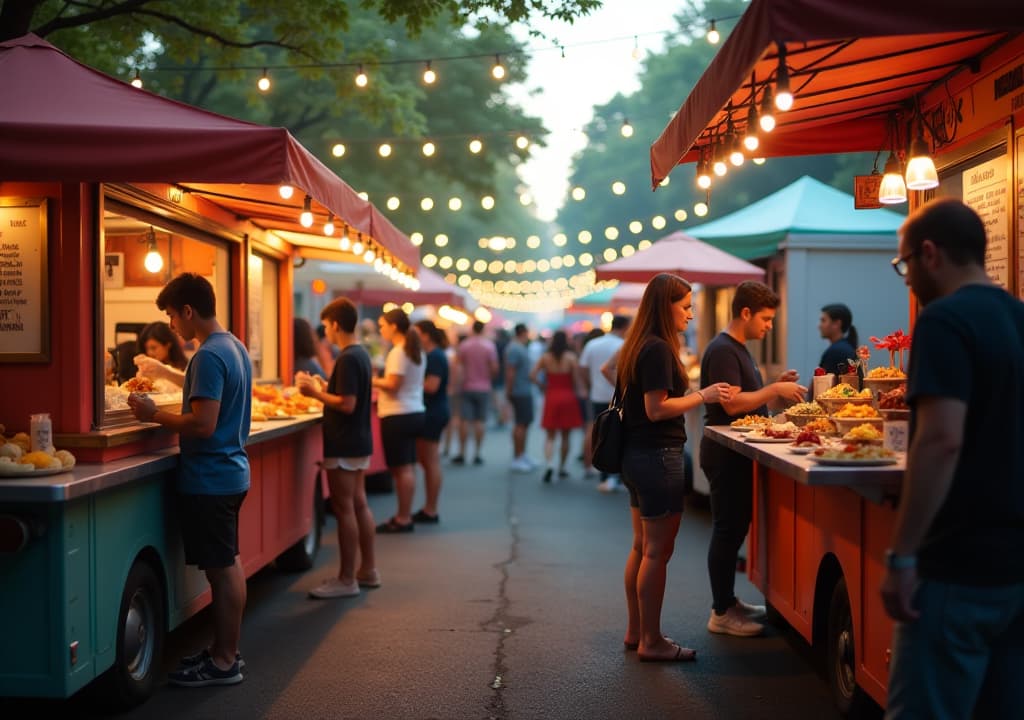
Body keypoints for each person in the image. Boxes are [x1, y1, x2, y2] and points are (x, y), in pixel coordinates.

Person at [879, 198, 1024, 719]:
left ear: (930, 254)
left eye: (904, 264)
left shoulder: (943, 321)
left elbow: (941, 440)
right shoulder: (1018, 316)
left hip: (958, 565)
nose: (906, 276)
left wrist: (903, 555)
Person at [126, 272, 251, 687]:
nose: (172, 325)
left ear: (187, 311)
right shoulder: (232, 346)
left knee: (222, 570)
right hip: (230, 472)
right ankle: (224, 652)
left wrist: (152, 414)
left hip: (212, 477)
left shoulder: (208, 355)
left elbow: (202, 423)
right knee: (226, 565)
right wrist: (164, 372)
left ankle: (224, 659)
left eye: (171, 316)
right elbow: (206, 398)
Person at [617, 273, 733, 662]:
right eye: (684, 306)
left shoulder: (638, 346)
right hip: (657, 456)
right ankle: (651, 640)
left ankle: (637, 631)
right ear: (664, 307)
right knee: (656, 552)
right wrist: (704, 394)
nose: (689, 313)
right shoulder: (658, 350)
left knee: (641, 547)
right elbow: (656, 409)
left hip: (635, 456)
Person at [700, 280, 806, 637]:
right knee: (727, 530)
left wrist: (774, 388)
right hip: (724, 453)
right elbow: (731, 404)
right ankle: (720, 612)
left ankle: (728, 601)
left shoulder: (739, 349)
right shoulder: (723, 350)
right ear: (745, 313)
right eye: (765, 318)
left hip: (736, 451)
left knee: (735, 527)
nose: (769, 326)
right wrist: (774, 388)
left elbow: (752, 403)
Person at [297, 297, 379, 599]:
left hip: (343, 442)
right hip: (359, 440)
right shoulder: (361, 355)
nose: (325, 333)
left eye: (327, 326)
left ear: (334, 324)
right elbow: (347, 395)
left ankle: (347, 579)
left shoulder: (346, 357)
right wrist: (325, 386)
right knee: (359, 504)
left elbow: (346, 403)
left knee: (345, 509)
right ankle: (367, 570)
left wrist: (314, 391)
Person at [372, 308, 426, 533]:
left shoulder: (398, 351)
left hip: (398, 413)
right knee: (407, 468)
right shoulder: (416, 350)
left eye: (382, 326)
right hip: (414, 411)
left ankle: (404, 517)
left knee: (401, 469)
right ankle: (404, 514)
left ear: (394, 327)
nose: (380, 330)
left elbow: (393, 385)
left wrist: (372, 379)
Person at [579, 314, 631, 490]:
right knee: (619, 436)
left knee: (599, 434)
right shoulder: (623, 345)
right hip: (618, 397)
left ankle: (601, 472)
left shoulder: (592, 344)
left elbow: (583, 368)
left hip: (597, 395)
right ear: (624, 327)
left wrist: (591, 384)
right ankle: (615, 476)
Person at [530, 330, 584, 483]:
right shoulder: (571, 357)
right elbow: (576, 379)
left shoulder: (545, 357)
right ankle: (562, 468)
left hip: (552, 395)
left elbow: (532, 375)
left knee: (550, 435)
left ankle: (549, 464)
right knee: (566, 435)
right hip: (568, 396)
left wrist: (542, 385)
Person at [412, 319, 450, 524]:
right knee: (428, 461)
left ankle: (431, 508)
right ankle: (429, 507)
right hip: (434, 411)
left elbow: (431, 386)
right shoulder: (434, 355)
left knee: (430, 461)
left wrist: (409, 381)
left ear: (425, 334)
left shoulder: (435, 356)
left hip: (433, 412)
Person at [453, 320, 498, 465]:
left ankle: (462, 452)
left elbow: (458, 367)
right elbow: (494, 368)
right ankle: (477, 453)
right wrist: (488, 378)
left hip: (467, 386)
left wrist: (457, 384)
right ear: (483, 330)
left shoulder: (464, 345)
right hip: (483, 387)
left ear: (472, 329)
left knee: (464, 421)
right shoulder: (489, 346)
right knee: (480, 421)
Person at [505, 323, 537, 473]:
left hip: (523, 390)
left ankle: (521, 455)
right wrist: (510, 391)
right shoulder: (515, 348)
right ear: (523, 332)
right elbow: (510, 372)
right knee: (521, 423)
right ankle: (518, 457)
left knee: (524, 423)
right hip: (520, 391)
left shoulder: (518, 347)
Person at [133, 320, 188, 386]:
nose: (149, 353)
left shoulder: (183, 370)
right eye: (146, 348)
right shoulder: (147, 370)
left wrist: (165, 372)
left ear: (168, 345)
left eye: (153, 348)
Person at [817, 303, 858, 375]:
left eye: (823, 321)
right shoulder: (845, 347)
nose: (819, 326)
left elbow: (821, 383)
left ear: (837, 324)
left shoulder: (836, 351)